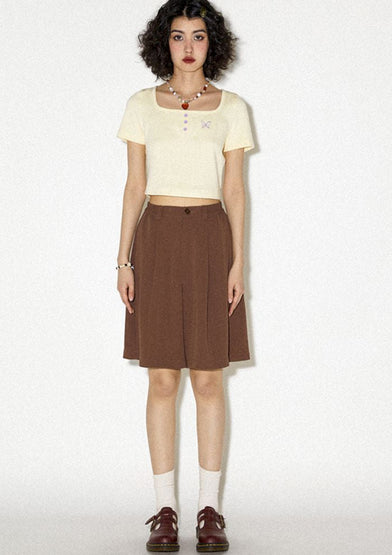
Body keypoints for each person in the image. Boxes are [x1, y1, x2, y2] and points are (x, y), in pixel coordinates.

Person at [115, 0, 254, 551]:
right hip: (157, 238)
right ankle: (164, 510)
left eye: (198, 35)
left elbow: (235, 189)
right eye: (178, 36)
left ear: (211, 42)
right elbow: (133, 186)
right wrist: (123, 260)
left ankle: (209, 511)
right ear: (164, 43)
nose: (189, 46)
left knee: (209, 378)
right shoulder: (141, 104)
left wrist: (238, 261)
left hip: (211, 239)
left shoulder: (232, 107)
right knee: (162, 379)